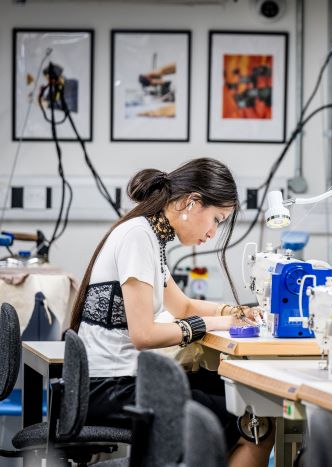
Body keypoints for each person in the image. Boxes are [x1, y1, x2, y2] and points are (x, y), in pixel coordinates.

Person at [68, 158, 274, 466]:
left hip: (121, 380)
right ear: (193, 202)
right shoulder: (138, 236)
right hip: (110, 388)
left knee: (237, 394)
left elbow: (183, 306)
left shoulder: (151, 237)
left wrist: (235, 311)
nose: (213, 233)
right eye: (216, 219)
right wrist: (215, 322)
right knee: (255, 422)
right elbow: (144, 335)